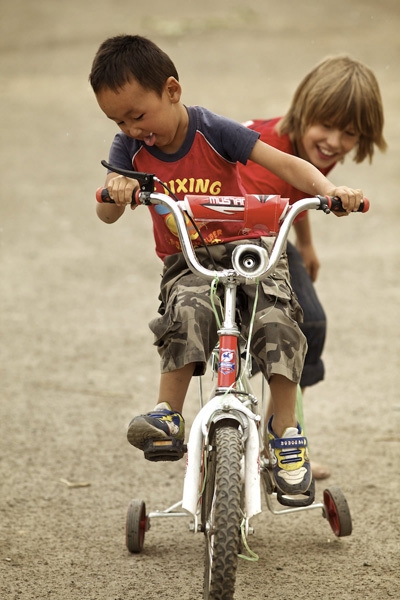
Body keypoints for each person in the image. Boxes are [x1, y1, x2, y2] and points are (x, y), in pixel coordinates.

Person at [89, 35, 364, 496]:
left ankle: (286, 435)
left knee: (279, 318)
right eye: (118, 120)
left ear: (172, 91)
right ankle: (167, 415)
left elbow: (285, 164)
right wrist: (117, 188)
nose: (132, 128)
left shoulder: (213, 130)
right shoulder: (129, 152)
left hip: (248, 247)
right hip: (190, 260)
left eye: (137, 115)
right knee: (186, 310)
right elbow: (105, 212)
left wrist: (330, 191)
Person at [238, 55, 387, 479]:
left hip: (274, 232)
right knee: (283, 319)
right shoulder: (267, 152)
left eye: (350, 133)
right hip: (235, 237)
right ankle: (258, 430)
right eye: (326, 126)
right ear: (303, 111)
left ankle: (278, 433)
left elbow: (297, 194)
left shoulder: (316, 148)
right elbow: (267, 199)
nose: (334, 142)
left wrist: (306, 246)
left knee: (312, 323)